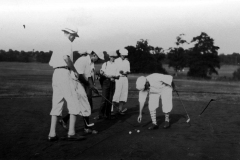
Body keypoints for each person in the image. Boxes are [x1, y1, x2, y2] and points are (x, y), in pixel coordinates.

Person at [48, 27, 89, 141]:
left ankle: (52, 134)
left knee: (57, 104)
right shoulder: (67, 43)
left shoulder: (58, 44)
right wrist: (74, 71)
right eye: (74, 36)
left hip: (56, 74)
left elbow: (52, 62)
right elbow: (66, 58)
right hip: (64, 73)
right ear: (69, 34)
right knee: (74, 103)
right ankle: (71, 133)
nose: (74, 38)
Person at [59, 50, 104, 134]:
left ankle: (65, 120)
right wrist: (89, 85)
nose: (98, 60)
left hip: (78, 83)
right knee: (83, 105)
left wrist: (93, 87)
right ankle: (86, 128)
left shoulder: (90, 62)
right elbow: (79, 76)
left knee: (82, 105)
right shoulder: (83, 60)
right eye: (98, 58)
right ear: (94, 54)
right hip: (74, 83)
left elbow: (89, 76)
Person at [95, 51, 119, 120]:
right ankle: (100, 115)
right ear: (109, 57)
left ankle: (108, 115)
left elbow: (118, 76)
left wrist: (113, 76)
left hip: (113, 82)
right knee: (104, 99)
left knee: (110, 99)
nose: (113, 58)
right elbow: (101, 72)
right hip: (105, 82)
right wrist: (107, 76)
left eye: (114, 57)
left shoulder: (117, 65)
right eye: (111, 57)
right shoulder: (105, 64)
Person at [112, 48, 130, 114]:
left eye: (125, 55)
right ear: (120, 54)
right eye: (123, 55)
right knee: (116, 94)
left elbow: (128, 71)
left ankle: (120, 109)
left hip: (125, 79)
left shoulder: (127, 61)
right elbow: (114, 70)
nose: (124, 56)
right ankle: (111, 110)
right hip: (118, 79)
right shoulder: (116, 61)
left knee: (124, 94)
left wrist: (125, 72)